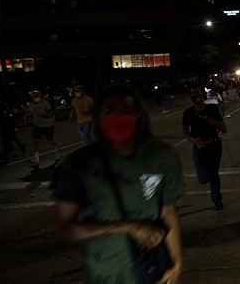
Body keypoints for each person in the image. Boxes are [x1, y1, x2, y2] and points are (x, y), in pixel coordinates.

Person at [52, 83, 186, 283]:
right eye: (109, 111)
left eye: (125, 110)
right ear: (98, 118)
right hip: (107, 274)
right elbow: (65, 230)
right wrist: (130, 227)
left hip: (154, 270)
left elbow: (168, 212)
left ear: (138, 115)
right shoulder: (79, 164)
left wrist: (177, 262)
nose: (117, 116)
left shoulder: (162, 156)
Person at [182, 85, 227, 210]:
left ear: (202, 95)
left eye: (197, 93)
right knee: (203, 178)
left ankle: (217, 200)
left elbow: (223, 128)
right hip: (199, 148)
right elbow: (185, 130)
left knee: (213, 174)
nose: (196, 96)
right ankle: (211, 189)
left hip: (214, 145)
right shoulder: (188, 113)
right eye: (192, 94)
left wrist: (207, 118)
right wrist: (192, 139)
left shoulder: (212, 109)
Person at [27, 89, 61, 167]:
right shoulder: (31, 105)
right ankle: (36, 159)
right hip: (37, 126)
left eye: (37, 95)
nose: (37, 97)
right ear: (32, 97)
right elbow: (30, 114)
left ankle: (57, 147)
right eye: (35, 96)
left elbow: (51, 112)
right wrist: (28, 117)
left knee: (50, 141)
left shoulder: (45, 103)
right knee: (36, 141)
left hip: (48, 125)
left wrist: (44, 115)